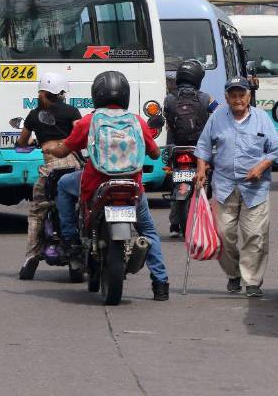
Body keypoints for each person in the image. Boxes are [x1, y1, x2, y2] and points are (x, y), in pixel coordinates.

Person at [44, 70, 170, 301]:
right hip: (132, 187)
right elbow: (154, 153)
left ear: (97, 94)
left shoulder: (89, 121)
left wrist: (51, 148)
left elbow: (63, 150)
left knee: (62, 184)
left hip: (95, 185)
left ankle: (70, 240)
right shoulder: (136, 121)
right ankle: (161, 283)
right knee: (149, 231)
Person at [193, 76, 278, 298]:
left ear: (249, 97)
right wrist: (201, 169)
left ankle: (252, 281)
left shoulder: (262, 118)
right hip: (224, 186)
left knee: (255, 235)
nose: (238, 99)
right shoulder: (217, 117)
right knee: (224, 234)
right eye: (233, 95)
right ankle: (233, 274)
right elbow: (203, 146)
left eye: (242, 95)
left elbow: (274, 151)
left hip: (255, 188)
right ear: (226, 98)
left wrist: (260, 168)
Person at [17, 72, 82, 280]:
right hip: (73, 166)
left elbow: (22, 142)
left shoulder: (34, 115)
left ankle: (31, 258)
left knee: (37, 212)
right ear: (61, 92)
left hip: (50, 170)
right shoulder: (72, 111)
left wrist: (32, 143)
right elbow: (80, 135)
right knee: (79, 209)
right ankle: (76, 258)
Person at [163, 59, 217, 238]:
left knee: (175, 183)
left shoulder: (170, 99)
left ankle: (174, 224)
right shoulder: (205, 98)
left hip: (176, 148)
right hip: (200, 149)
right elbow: (219, 112)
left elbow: (168, 122)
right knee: (213, 175)